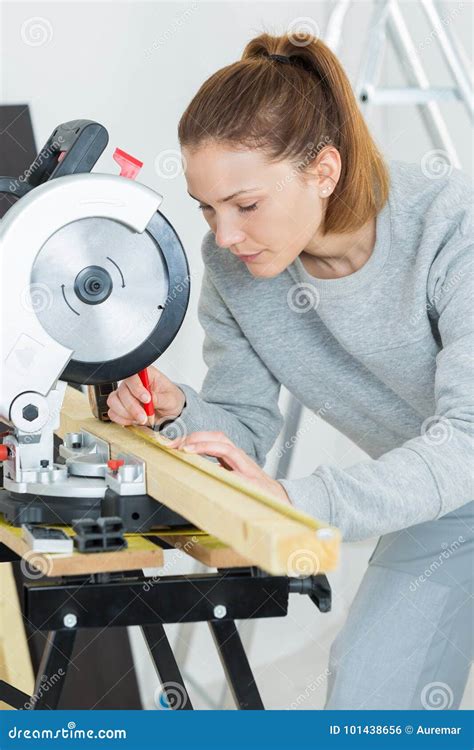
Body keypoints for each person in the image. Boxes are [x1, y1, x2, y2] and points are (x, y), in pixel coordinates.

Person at [107, 32, 473, 710]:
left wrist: (304, 502)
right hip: (447, 506)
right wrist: (174, 407)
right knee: (370, 701)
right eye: (207, 209)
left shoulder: (452, 224)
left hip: (459, 466)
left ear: (324, 172)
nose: (224, 236)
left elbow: (469, 438)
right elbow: (243, 428)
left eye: (246, 205)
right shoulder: (233, 268)